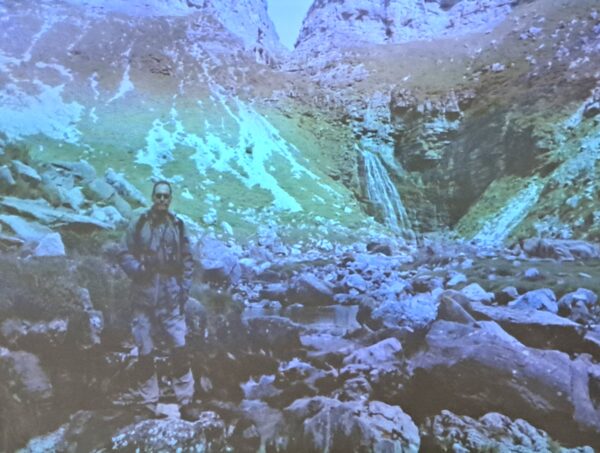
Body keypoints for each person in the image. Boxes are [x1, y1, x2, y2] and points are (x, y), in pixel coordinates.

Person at [118, 180, 197, 420]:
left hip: (171, 297)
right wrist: (137, 269)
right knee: (145, 351)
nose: (162, 200)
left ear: (170, 199)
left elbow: (188, 259)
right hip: (143, 296)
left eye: (166, 196)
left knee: (180, 348)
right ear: (153, 198)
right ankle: (148, 403)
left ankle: (186, 402)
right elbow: (123, 252)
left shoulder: (178, 225)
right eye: (158, 196)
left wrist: (184, 289)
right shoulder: (139, 223)